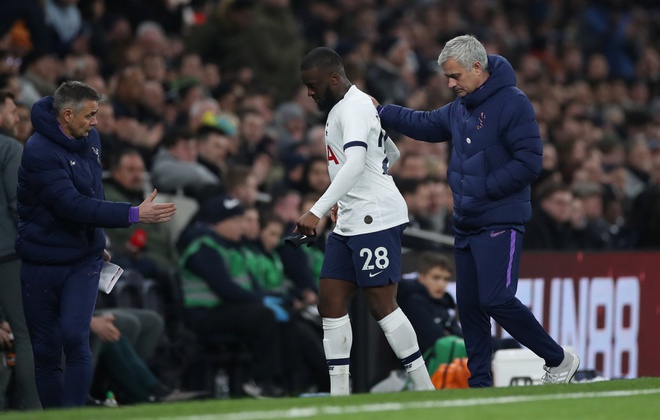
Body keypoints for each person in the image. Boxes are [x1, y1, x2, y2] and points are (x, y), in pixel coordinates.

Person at [374, 35, 579, 387]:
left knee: (496, 298)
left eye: (455, 76)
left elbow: (530, 162)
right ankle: (479, 384)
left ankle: (559, 359)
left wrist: (483, 189)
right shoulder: (460, 107)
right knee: (469, 307)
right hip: (466, 222)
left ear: (477, 67)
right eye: (447, 77)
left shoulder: (513, 103)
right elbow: (424, 123)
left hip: (501, 219)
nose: (450, 84)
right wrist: (381, 112)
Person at [15, 81, 176, 408]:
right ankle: (56, 416)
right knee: (46, 349)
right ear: (67, 115)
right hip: (41, 261)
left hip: (82, 261)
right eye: (90, 115)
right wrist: (133, 213)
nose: (96, 122)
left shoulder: (92, 139)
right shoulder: (38, 150)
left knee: (76, 337)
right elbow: (69, 205)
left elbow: (93, 193)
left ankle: (75, 414)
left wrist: (96, 237)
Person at [295, 47, 435, 395]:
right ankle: (339, 396)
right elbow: (391, 153)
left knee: (381, 305)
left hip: (376, 218)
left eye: (313, 85)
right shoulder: (350, 105)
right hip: (352, 218)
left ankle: (425, 388)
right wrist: (344, 198)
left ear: (333, 78)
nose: (309, 92)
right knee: (329, 300)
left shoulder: (354, 107)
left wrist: (317, 209)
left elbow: (357, 163)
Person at [0, 89, 41, 410]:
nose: (17, 118)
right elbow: (21, 205)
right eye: (12, 111)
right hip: (9, 254)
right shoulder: (10, 147)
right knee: (28, 335)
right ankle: (34, 410)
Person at [397, 252, 462, 355]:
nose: (441, 284)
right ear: (422, 277)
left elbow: (460, 337)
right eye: (436, 278)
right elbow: (435, 339)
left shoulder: (443, 303)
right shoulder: (410, 300)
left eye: (446, 279)